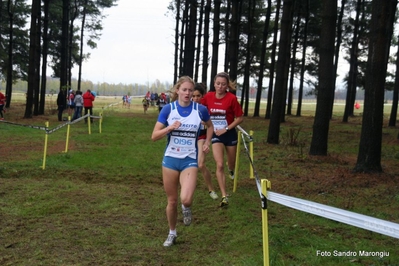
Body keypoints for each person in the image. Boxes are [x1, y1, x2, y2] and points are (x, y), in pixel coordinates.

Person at [151, 76, 213, 247]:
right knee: (171, 201)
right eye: (184, 90)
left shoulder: (200, 110)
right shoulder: (168, 110)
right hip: (170, 160)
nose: (187, 93)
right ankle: (172, 233)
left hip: (189, 159)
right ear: (177, 90)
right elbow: (154, 136)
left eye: (190, 90)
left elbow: (210, 126)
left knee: (185, 199)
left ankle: (187, 208)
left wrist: (207, 142)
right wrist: (169, 128)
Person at [201, 72, 244, 207]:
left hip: (229, 134)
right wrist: (204, 122)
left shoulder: (231, 98)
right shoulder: (208, 97)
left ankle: (230, 169)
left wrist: (225, 129)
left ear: (227, 85)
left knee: (230, 163)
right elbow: (200, 110)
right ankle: (224, 195)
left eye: (223, 84)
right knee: (219, 164)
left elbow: (240, 118)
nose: (220, 86)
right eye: (218, 83)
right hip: (215, 135)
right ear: (214, 83)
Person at [192, 83, 218, 200]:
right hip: (189, 138)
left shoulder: (204, 109)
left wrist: (207, 142)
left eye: (198, 96)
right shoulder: (186, 107)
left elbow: (211, 125)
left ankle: (211, 189)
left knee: (201, 164)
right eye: (193, 96)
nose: (195, 98)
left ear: (202, 96)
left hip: (201, 137)